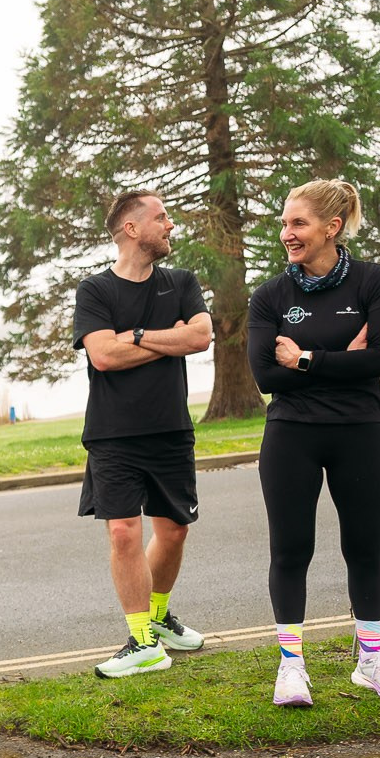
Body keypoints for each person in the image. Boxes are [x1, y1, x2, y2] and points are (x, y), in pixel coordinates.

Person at [247, 178, 380, 707]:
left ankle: (370, 662)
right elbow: (265, 376)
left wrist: (304, 359)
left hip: (361, 431)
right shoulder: (270, 296)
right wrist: (345, 359)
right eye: (284, 223)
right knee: (291, 550)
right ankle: (291, 667)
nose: (286, 234)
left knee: (364, 549)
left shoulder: (374, 282)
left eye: (298, 223)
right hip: (291, 434)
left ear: (331, 227)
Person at [73, 190, 215, 679]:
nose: (170, 225)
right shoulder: (95, 291)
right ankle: (142, 642)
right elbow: (103, 356)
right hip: (112, 435)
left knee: (174, 531)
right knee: (122, 531)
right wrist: (166, 339)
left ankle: (157, 617)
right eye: (161, 217)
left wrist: (133, 335)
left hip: (170, 429)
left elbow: (200, 336)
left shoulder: (181, 282)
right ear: (131, 229)